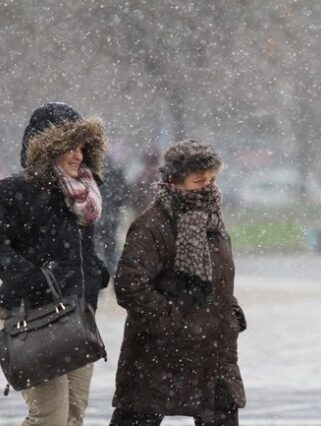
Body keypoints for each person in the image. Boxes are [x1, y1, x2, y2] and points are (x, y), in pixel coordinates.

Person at [0, 102, 110, 426]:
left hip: (76, 318)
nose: (77, 154)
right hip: (29, 319)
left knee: (73, 416)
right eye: (68, 147)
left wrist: (96, 274)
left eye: (81, 146)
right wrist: (34, 278)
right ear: (45, 147)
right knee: (50, 418)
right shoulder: (12, 190)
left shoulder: (84, 195)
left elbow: (82, 252)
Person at [110, 139, 247, 426]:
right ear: (173, 182)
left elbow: (218, 277)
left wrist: (229, 310)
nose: (208, 187)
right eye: (199, 181)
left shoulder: (213, 221)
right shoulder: (152, 226)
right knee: (138, 417)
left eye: (212, 179)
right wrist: (175, 323)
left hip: (213, 350)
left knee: (221, 414)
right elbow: (129, 285)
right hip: (159, 356)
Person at [96, 155, 129, 278]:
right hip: (111, 217)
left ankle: (99, 278)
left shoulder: (94, 174)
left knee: (94, 250)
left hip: (97, 218)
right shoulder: (116, 171)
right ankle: (112, 276)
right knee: (110, 250)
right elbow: (124, 194)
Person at [129, 146, 160, 215]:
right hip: (160, 216)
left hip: (143, 214)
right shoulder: (162, 175)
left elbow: (134, 198)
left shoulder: (141, 176)